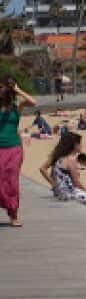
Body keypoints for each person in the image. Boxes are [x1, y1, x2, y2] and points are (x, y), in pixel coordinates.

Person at [0, 77, 35, 226]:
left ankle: (13, 215)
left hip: (14, 148)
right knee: (1, 181)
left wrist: (17, 88)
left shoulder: (17, 106)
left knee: (13, 182)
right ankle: (7, 205)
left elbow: (33, 102)